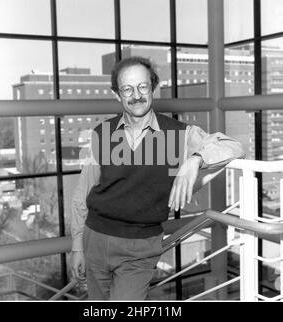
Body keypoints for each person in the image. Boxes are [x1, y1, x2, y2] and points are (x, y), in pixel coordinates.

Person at [70, 56, 245, 300]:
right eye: (127, 89)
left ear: (153, 88)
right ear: (117, 95)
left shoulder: (177, 134)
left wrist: (196, 159)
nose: (136, 95)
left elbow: (233, 146)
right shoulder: (103, 133)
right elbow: (83, 195)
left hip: (140, 248)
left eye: (142, 86)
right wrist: (77, 246)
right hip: (95, 239)